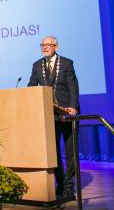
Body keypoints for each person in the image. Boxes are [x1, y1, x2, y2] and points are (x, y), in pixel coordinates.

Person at [27, 36, 79, 198]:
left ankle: (69, 185)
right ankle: (60, 183)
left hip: (67, 113)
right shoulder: (37, 65)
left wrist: (72, 106)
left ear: (56, 47)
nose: (45, 47)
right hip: (48, 115)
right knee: (53, 151)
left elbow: (73, 87)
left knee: (70, 152)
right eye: (42, 45)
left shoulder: (66, 63)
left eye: (48, 45)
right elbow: (31, 87)